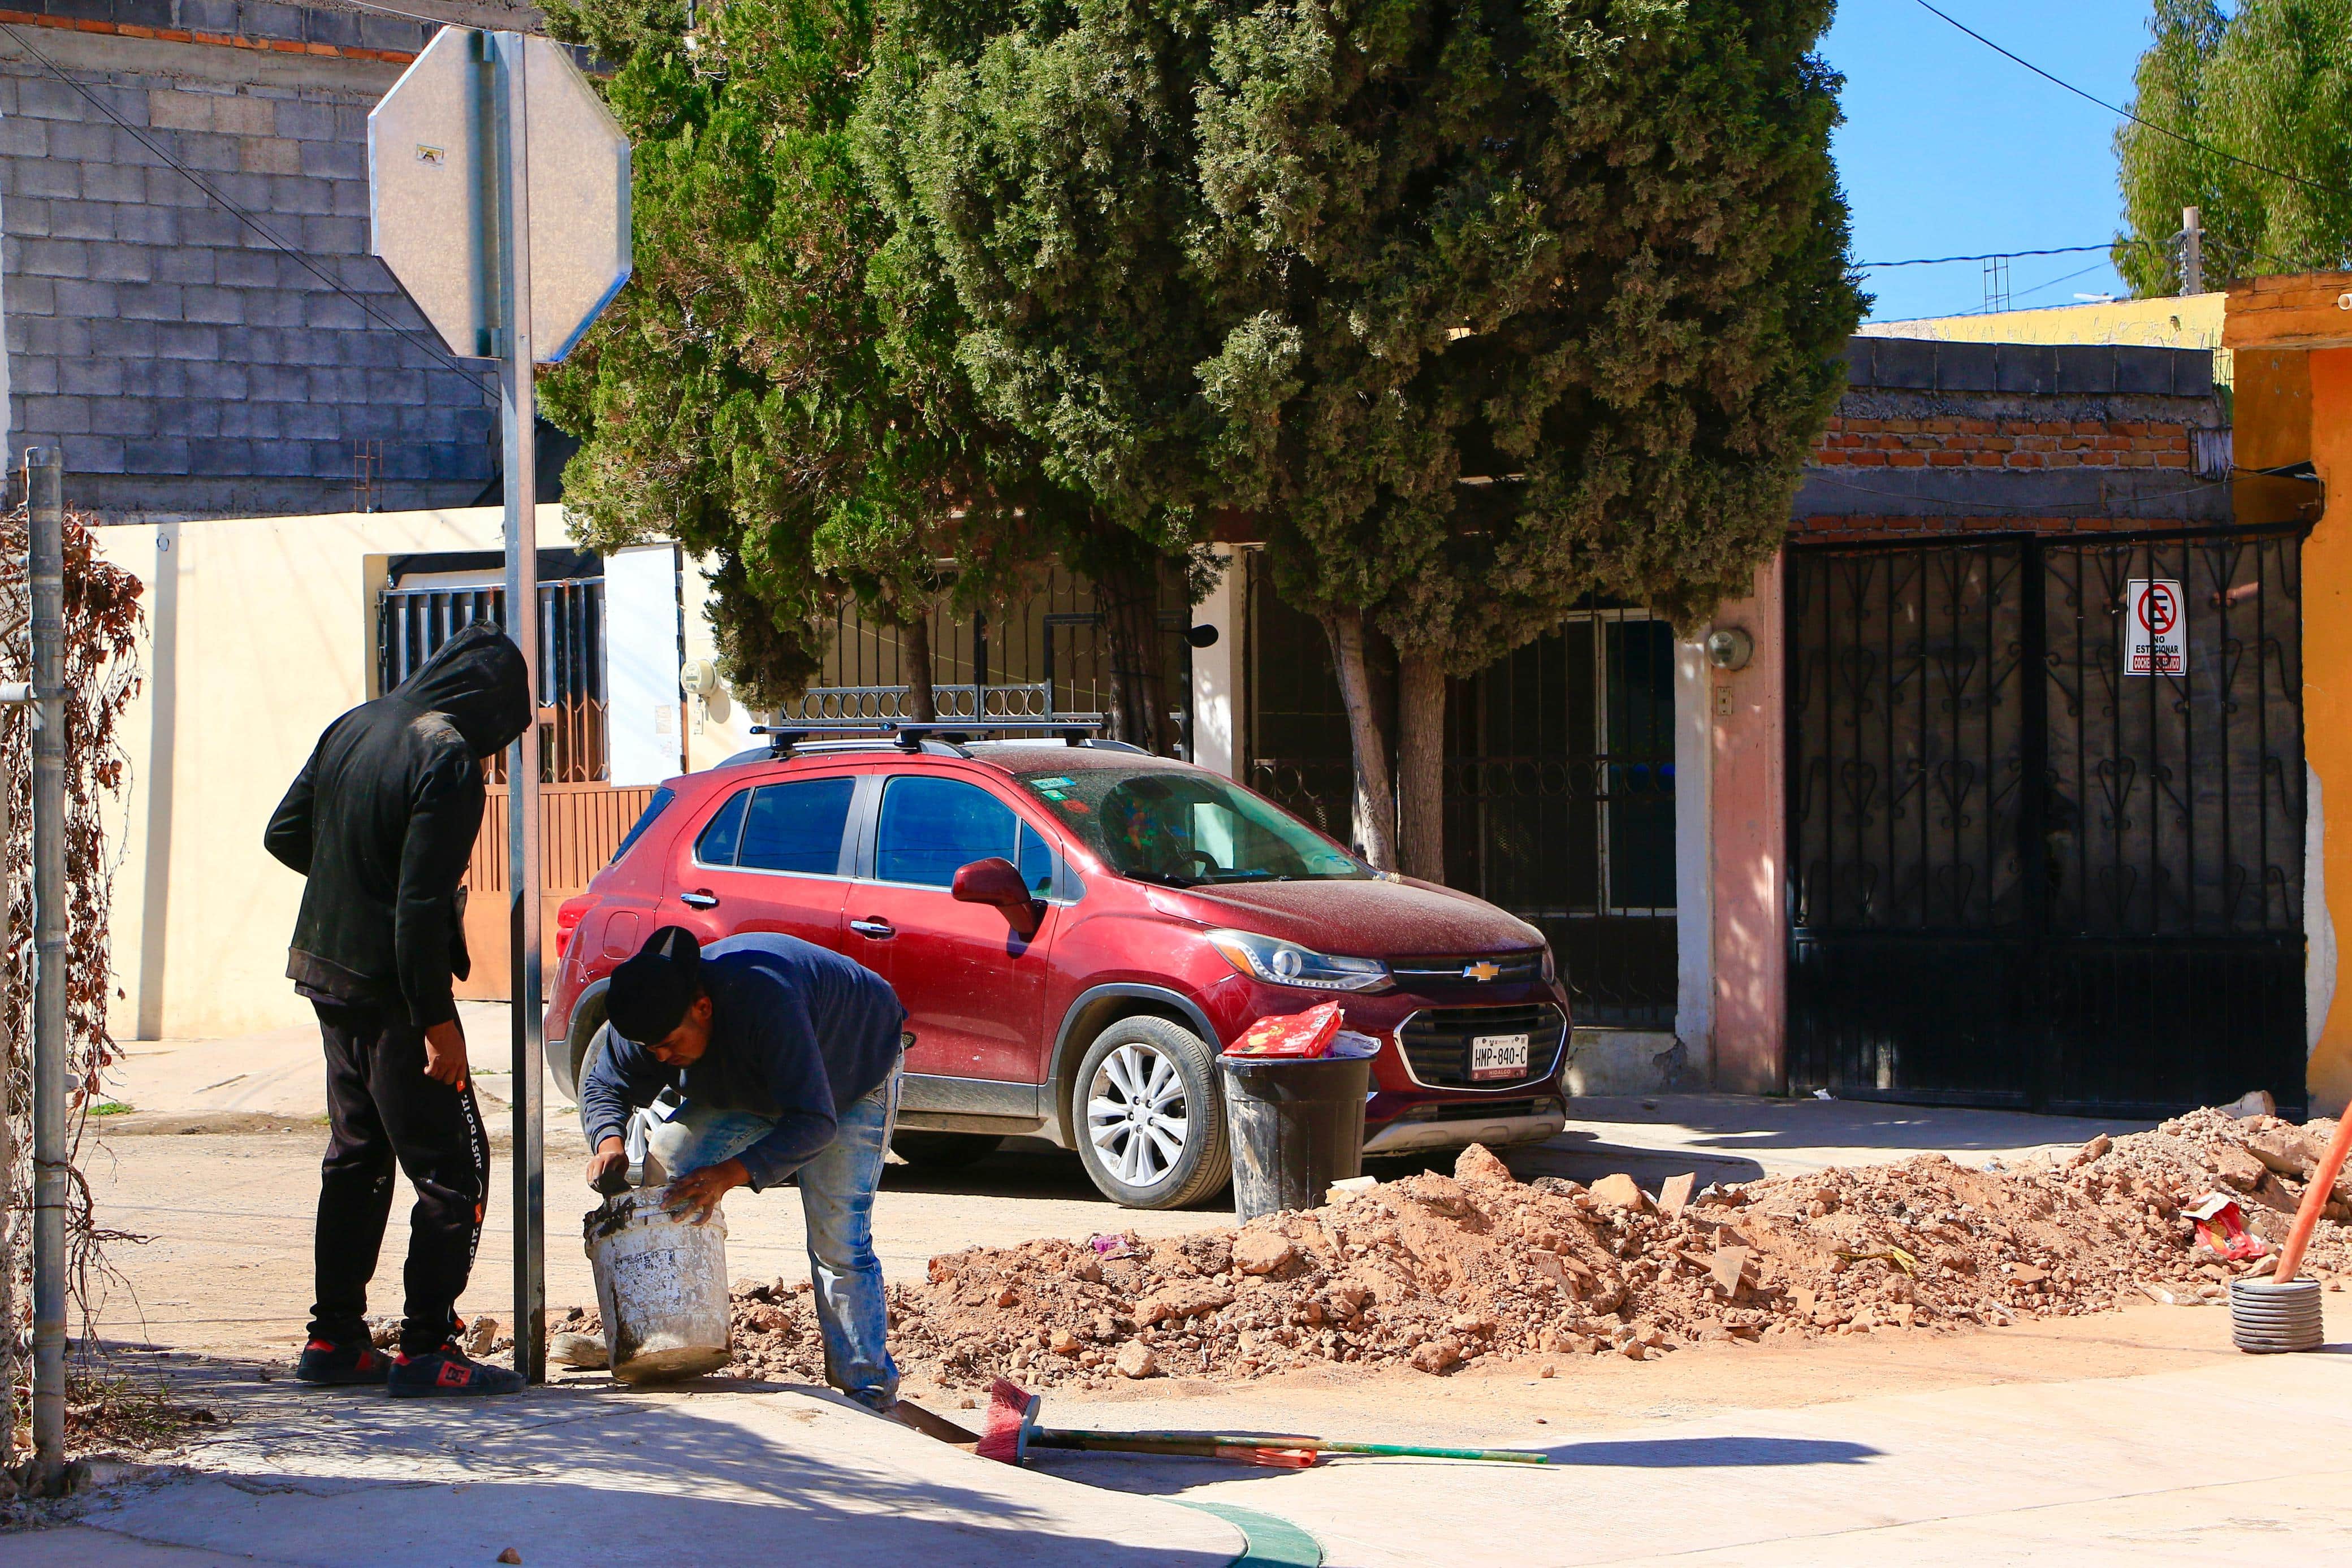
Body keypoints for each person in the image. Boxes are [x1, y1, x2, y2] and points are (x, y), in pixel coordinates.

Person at [264, 621, 532, 1397]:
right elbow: (418, 909)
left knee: (358, 1157)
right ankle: (427, 1350)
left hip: (325, 973)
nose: (497, 747)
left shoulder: (355, 723)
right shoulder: (444, 754)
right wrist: (438, 1025)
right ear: (489, 705)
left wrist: (352, 879)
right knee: (456, 1169)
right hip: (391, 991)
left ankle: (336, 1338)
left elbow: (286, 833)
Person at [579, 926, 908, 1410]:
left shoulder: (765, 1000)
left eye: (669, 1044)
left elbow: (815, 1123)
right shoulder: (649, 1016)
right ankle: (666, 1337)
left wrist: (730, 1173)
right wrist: (608, 1144)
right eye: (652, 1051)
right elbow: (604, 1086)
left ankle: (868, 1385)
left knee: (838, 1238)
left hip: (849, 1073)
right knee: (666, 1173)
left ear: (703, 1008)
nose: (662, 1057)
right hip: (749, 1082)